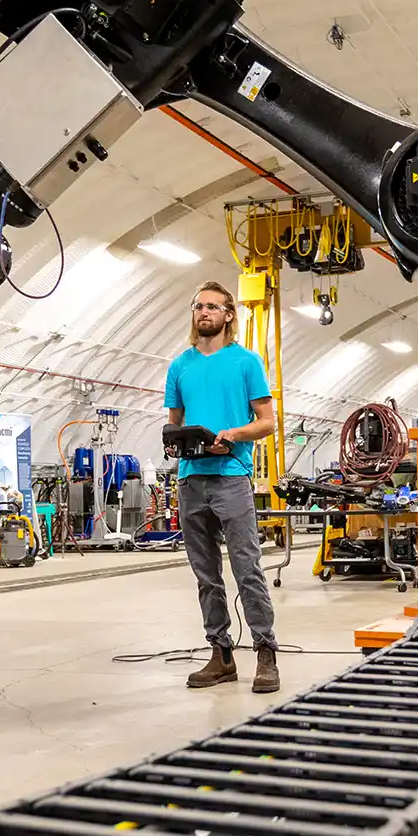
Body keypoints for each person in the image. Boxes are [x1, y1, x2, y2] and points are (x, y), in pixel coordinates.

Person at [164, 281, 280, 693]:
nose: (203, 313)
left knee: (247, 568)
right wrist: (178, 442)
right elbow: (174, 424)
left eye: (212, 307)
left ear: (229, 315)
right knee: (206, 575)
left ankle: (265, 652)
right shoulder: (180, 366)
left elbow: (267, 422)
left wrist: (232, 433)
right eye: (198, 306)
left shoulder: (246, 362)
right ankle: (221, 654)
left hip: (231, 476)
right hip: (191, 479)